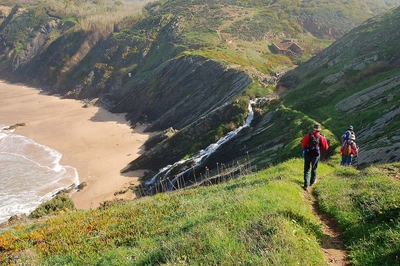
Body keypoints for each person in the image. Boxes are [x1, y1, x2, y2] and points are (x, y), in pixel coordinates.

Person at [301, 124, 329, 191]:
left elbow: (303, 144)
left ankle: (306, 185)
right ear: (319, 130)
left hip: (307, 154)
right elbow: (326, 148)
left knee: (306, 169)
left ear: (313, 129)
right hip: (316, 155)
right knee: (314, 168)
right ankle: (312, 182)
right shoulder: (321, 137)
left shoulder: (308, 136)